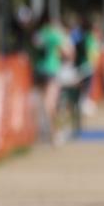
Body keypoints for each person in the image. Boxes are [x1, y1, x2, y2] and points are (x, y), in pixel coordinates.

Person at [31, 12, 74, 142]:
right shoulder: (54, 34)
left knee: (39, 101)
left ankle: (40, 132)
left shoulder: (37, 34)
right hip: (51, 70)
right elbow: (67, 52)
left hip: (38, 70)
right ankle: (54, 133)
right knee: (50, 103)